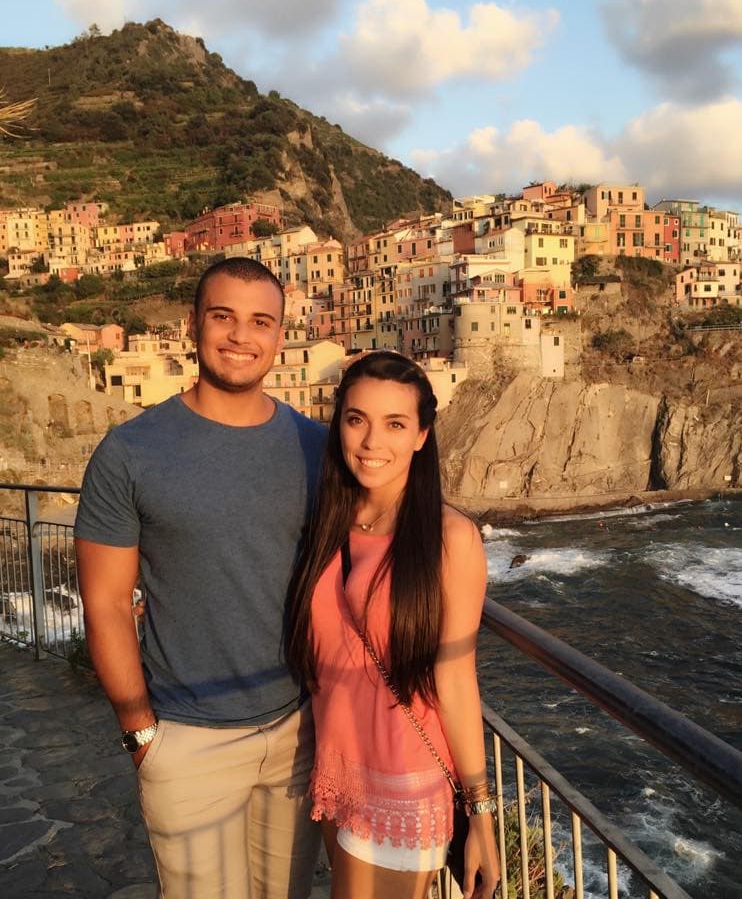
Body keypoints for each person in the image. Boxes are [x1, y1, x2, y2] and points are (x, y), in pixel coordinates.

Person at [74, 257, 326, 899]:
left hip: (300, 729)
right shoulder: (131, 452)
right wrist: (141, 733)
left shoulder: (316, 448)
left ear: (279, 335)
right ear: (193, 325)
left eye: (260, 322)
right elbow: (103, 601)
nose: (241, 336)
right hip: (188, 737)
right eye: (224, 317)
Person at [285, 351, 501, 899]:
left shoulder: (449, 540)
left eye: (395, 424)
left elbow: (455, 679)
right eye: (357, 420)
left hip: (400, 781)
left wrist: (480, 813)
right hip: (338, 767)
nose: (371, 442)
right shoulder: (333, 519)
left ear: (422, 436)